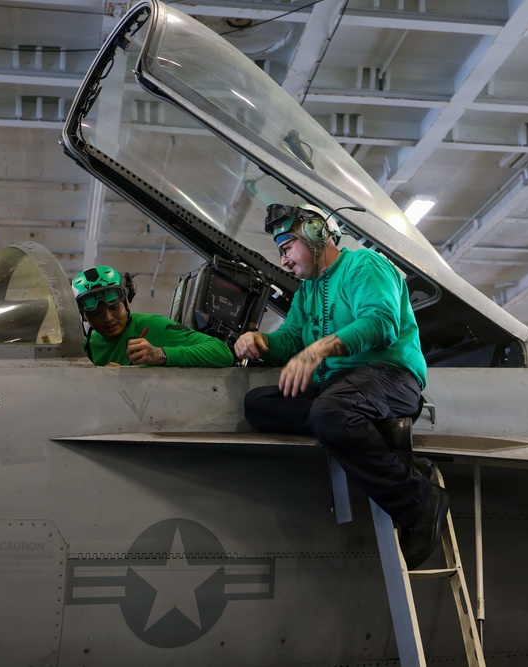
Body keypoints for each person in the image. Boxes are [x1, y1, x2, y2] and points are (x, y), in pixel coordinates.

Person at [233, 203, 448, 569]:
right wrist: (260, 342)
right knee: (258, 404)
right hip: (341, 387)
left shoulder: (365, 266)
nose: (283, 260)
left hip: (389, 376)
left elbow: (381, 322)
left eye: (286, 248)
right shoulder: (307, 293)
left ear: (315, 233)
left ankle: (419, 500)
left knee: (331, 412)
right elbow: (290, 340)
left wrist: (321, 348)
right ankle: (375, 429)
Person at [72, 265, 235, 368]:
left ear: (127, 301)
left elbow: (222, 352)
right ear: (84, 316)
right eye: (95, 313)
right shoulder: (80, 348)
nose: (108, 318)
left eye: (114, 307)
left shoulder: (150, 326)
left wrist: (161, 355)